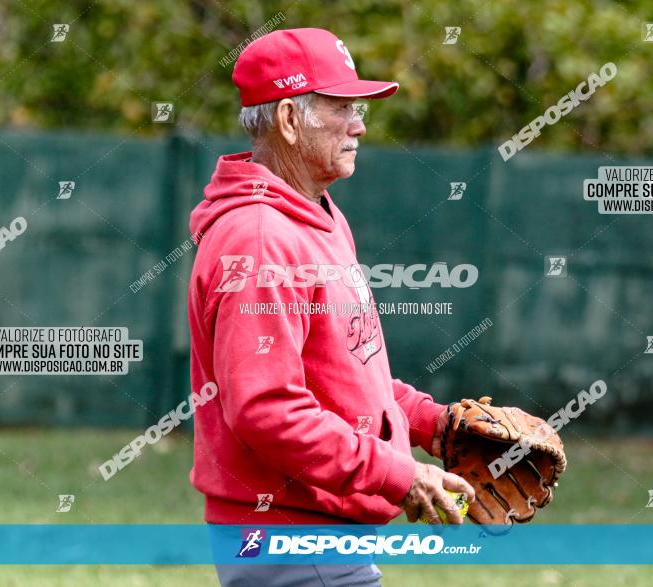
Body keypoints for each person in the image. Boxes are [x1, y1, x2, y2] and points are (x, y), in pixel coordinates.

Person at [187, 28, 474, 587]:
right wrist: (400, 475)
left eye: (358, 107)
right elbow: (267, 409)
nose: (360, 124)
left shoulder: (316, 217)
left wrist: (434, 427)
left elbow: (342, 371)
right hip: (286, 537)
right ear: (290, 120)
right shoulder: (260, 237)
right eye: (341, 107)